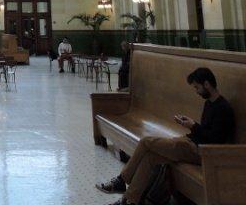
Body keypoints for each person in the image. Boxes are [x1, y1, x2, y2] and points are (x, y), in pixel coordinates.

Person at [96, 67, 235, 204]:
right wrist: (190, 125)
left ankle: (121, 180)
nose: (196, 91)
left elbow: (214, 140)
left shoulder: (223, 108)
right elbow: (205, 130)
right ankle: (129, 200)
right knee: (149, 158)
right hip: (190, 142)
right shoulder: (209, 103)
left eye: (197, 87)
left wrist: (193, 126)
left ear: (207, 84)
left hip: (200, 151)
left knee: (146, 142)